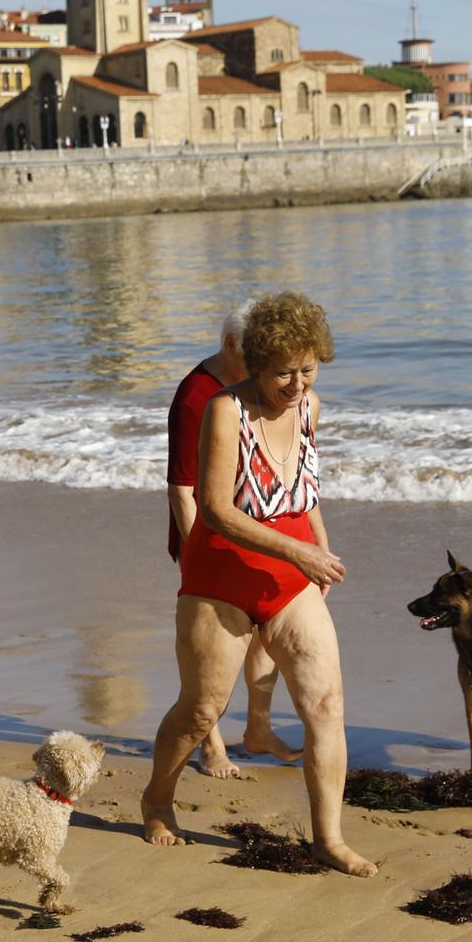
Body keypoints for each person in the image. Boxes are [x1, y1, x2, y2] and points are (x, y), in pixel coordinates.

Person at [143, 291, 375, 877]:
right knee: (201, 711)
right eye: (283, 374)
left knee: (325, 703)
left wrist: (317, 548)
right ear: (255, 363)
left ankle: (328, 838)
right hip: (220, 575)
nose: (298, 384)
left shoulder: (310, 406)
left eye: (308, 368)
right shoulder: (226, 410)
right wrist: (300, 550)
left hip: (291, 575)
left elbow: (306, 488)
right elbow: (216, 509)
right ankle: (157, 799)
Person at [167, 301, 302, 779]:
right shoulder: (197, 397)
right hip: (206, 537)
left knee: (264, 631)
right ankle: (212, 747)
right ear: (230, 346)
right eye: (257, 355)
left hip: (255, 532)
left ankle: (259, 728)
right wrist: (196, 561)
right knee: (214, 652)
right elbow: (184, 489)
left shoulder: (258, 390)